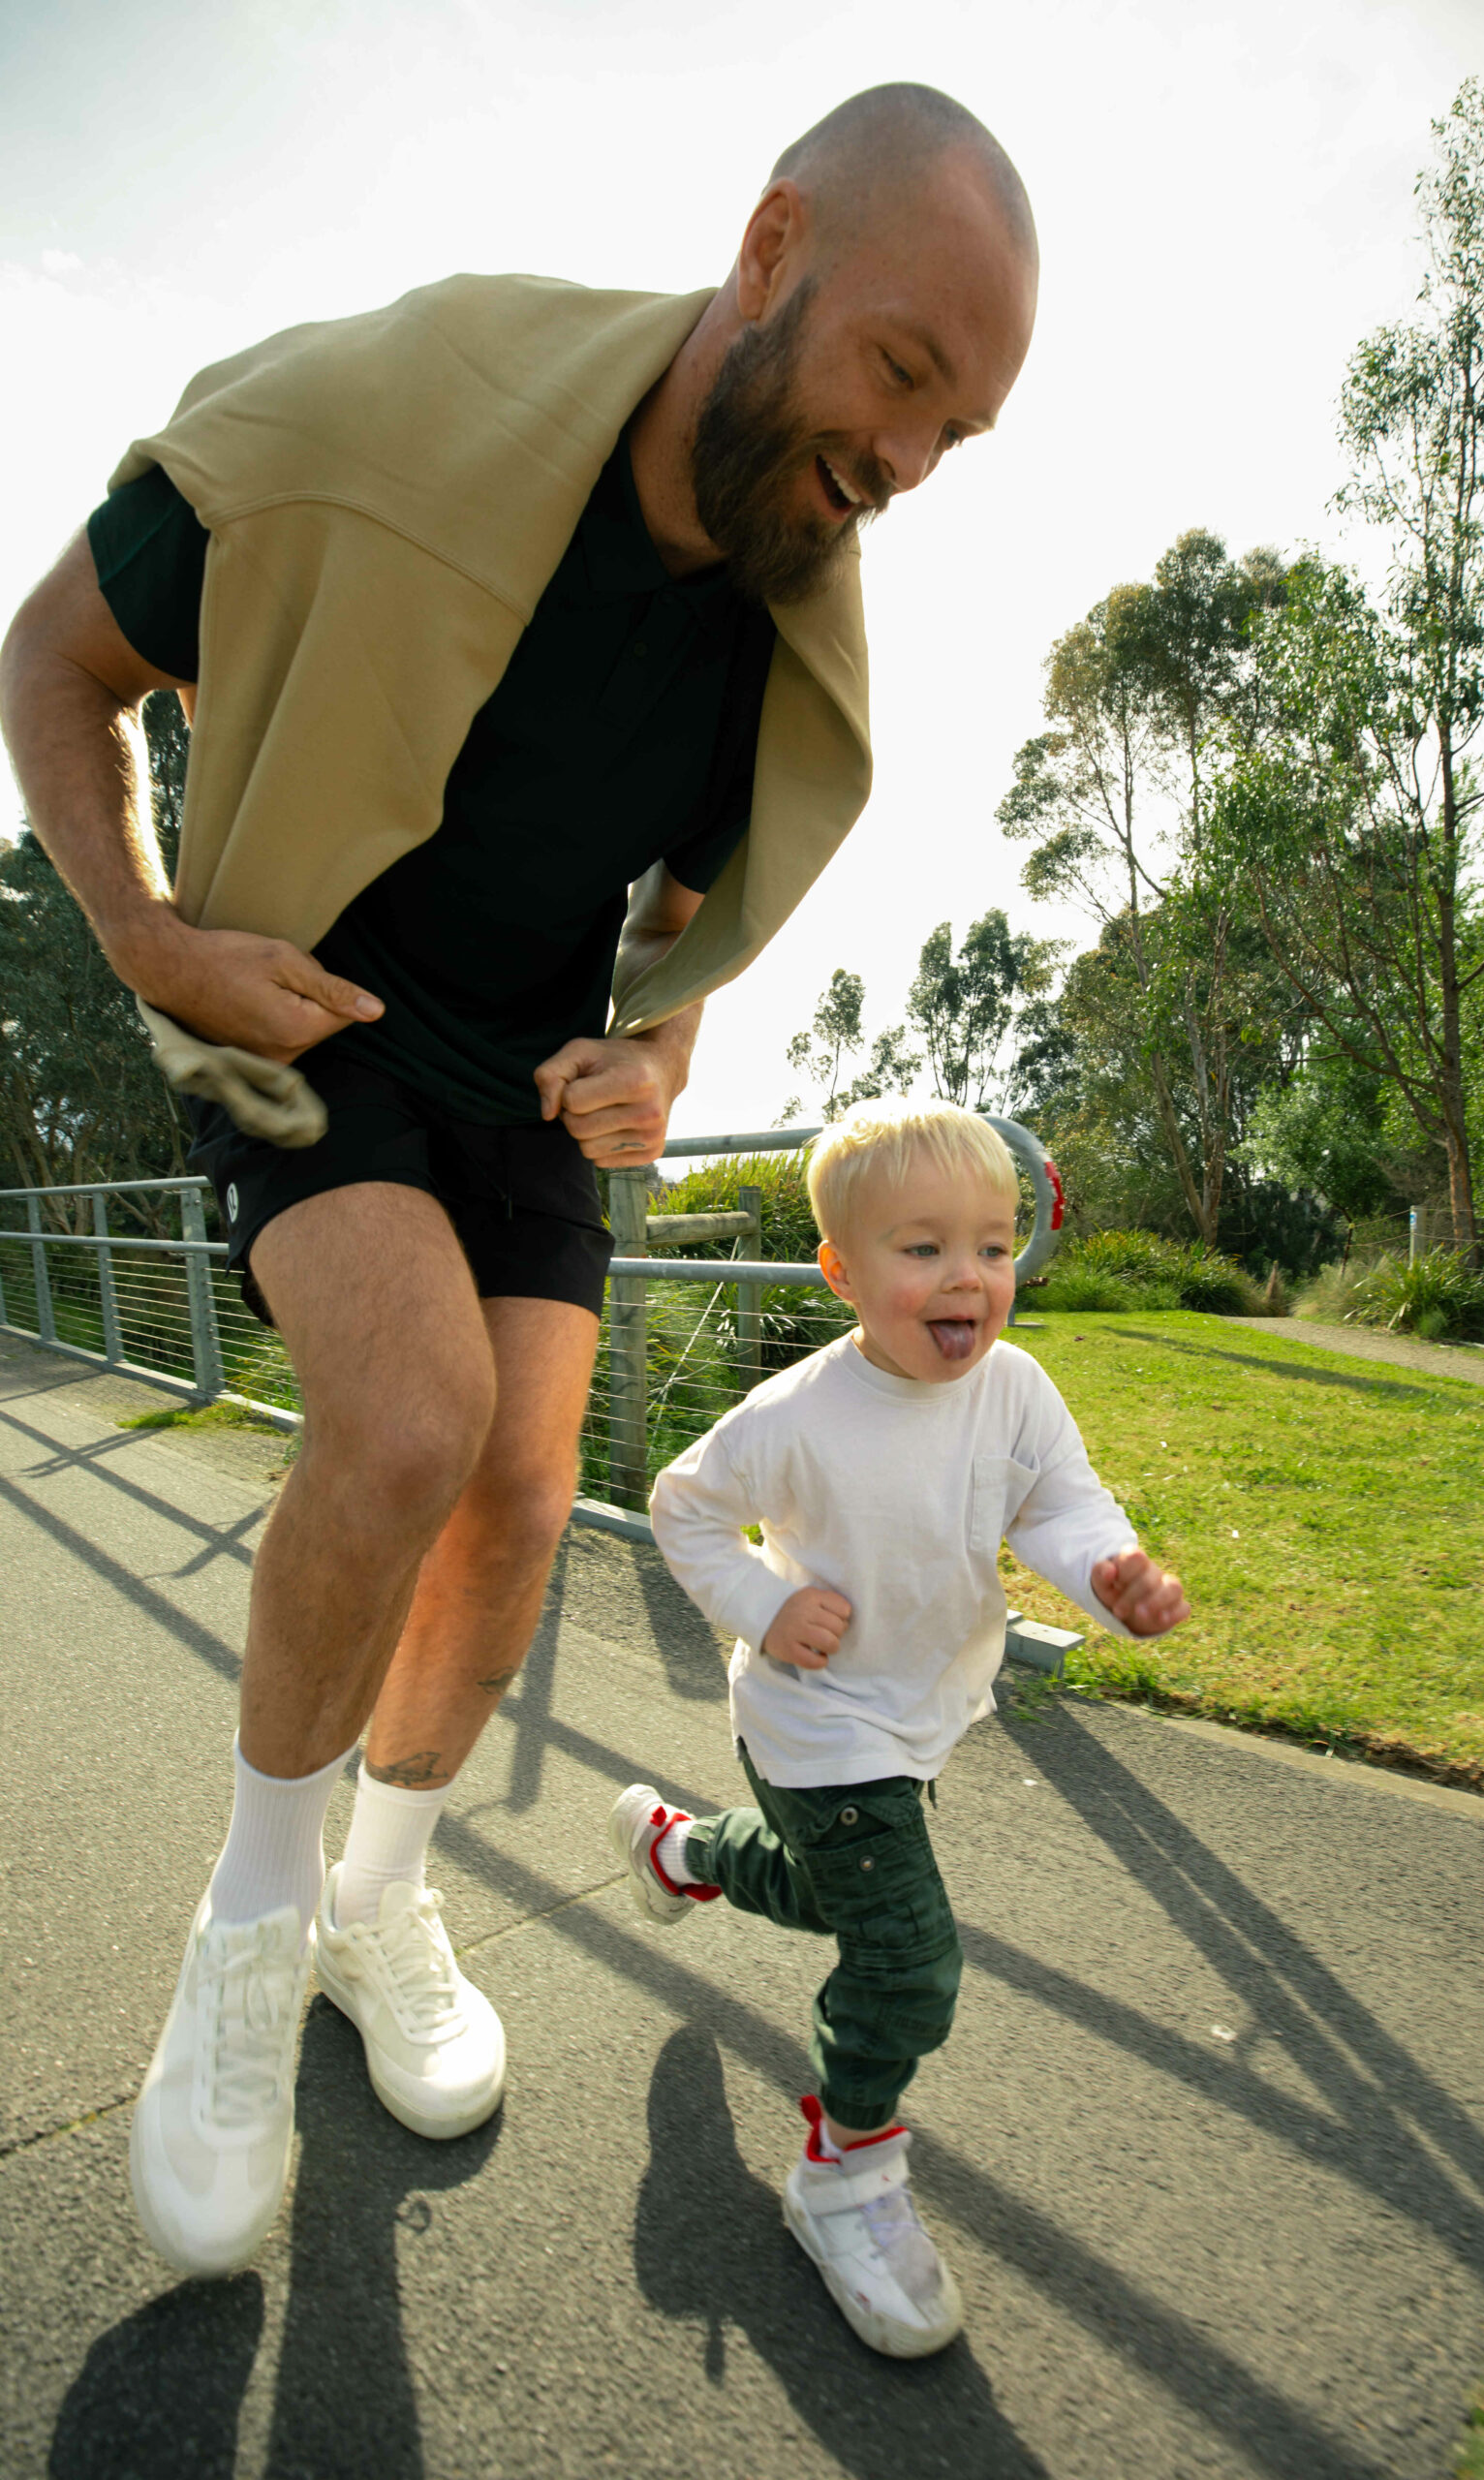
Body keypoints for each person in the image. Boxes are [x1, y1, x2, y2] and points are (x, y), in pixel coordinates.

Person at [0, 87, 1039, 2278]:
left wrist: (660, 1051)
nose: (910, 464)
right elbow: (56, 659)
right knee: (404, 1419)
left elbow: (691, 918)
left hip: (526, 1071)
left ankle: (381, 1896)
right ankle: (250, 1924)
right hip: (312, 995)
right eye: (900, 376)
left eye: (964, 432)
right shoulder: (386, 414)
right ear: (766, 251)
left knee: (522, 1483)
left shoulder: (780, 606)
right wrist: (147, 935)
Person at [614, 1100, 1190, 2356]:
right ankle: (847, 2177)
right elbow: (683, 1508)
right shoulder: (800, 1415)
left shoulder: (1016, 1391)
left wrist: (1109, 1574)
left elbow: (1060, 1507)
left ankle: (683, 1851)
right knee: (908, 1960)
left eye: (993, 1245)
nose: (968, 1277)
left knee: (837, 1904)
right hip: (816, 1728)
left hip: (921, 1716)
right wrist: (765, 1605)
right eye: (921, 1248)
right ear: (842, 1272)